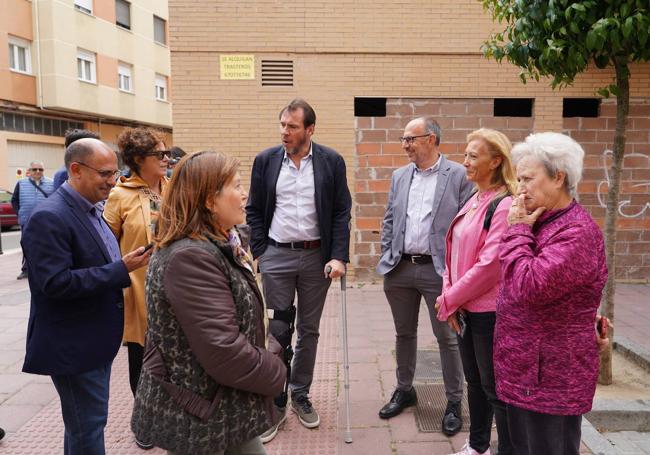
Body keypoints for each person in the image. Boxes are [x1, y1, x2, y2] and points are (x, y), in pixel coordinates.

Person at [131, 151, 286, 455]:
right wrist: (278, 372)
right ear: (209, 200)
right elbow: (222, 350)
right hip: (199, 412)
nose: (245, 195)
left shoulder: (218, 243)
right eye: (237, 186)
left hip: (216, 403)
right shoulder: (191, 256)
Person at [21, 138, 150, 454]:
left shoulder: (92, 209)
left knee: (86, 426)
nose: (113, 181)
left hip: (92, 340)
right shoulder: (49, 216)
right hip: (73, 345)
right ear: (75, 170)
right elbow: (55, 284)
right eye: (105, 174)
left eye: (115, 173)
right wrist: (121, 270)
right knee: (87, 429)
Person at [246, 98, 352, 442]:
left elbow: (340, 212)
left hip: (316, 257)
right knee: (278, 328)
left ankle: (300, 393)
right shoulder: (265, 160)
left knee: (309, 329)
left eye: (291, 126)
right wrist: (260, 250)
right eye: (282, 125)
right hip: (276, 254)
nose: (284, 132)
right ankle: (276, 399)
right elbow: (254, 209)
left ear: (310, 129)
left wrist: (338, 256)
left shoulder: (331, 162)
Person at [495, 132, 607, 455]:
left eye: (528, 178)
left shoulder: (576, 233)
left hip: (552, 380)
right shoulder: (543, 220)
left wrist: (516, 231)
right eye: (518, 179)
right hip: (527, 371)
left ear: (559, 177)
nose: (520, 188)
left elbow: (529, 286)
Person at [376, 117, 473, 436]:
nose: (405, 144)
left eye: (410, 139)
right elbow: (390, 217)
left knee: (447, 338)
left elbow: (465, 224)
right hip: (400, 268)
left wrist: (457, 273)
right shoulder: (400, 175)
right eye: (403, 139)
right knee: (404, 334)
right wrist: (387, 250)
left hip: (438, 270)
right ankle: (405, 389)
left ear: (430, 139)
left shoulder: (458, 174)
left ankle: (454, 402)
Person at [434, 129, 516, 455]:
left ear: (495, 161)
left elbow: (489, 265)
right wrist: (450, 297)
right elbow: (452, 253)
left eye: (472, 156)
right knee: (475, 384)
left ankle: (508, 449)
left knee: (495, 388)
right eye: (465, 154)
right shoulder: (473, 198)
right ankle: (478, 445)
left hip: (489, 312)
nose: (465, 161)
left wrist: (449, 299)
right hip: (465, 308)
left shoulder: (505, 203)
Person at [103, 127, 168, 450]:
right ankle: (144, 420)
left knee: (173, 356)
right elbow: (104, 245)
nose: (167, 159)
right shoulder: (120, 195)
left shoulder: (173, 189)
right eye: (160, 154)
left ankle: (169, 415)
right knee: (142, 360)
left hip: (174, 287)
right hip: (138, 288)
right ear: (140, 160)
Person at [12, 160, 54, 279]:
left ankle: (45, 268)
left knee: (46, 244)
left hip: (45, 221)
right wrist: (19, 213)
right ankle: (26, 269)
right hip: (27, 220)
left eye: (40, 169)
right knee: (26, 244)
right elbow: (14, 200)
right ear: (29, 171)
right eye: (34, 169)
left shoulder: (51, 183)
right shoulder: (21, 183)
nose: (37, 172)